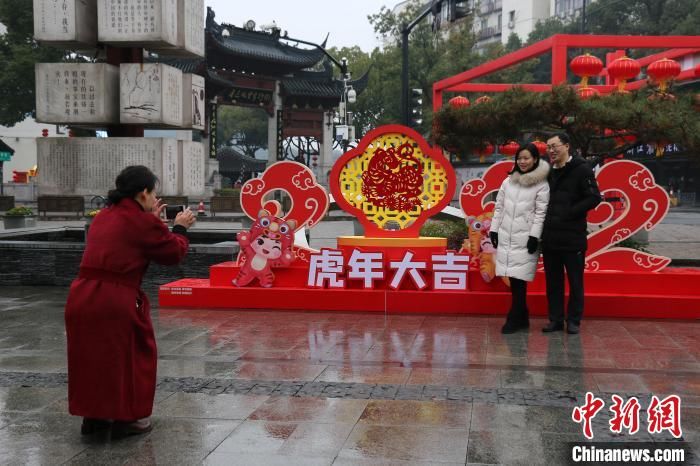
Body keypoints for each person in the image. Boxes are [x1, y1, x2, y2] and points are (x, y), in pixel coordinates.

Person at [64, 166, 196, 436]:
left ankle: (94, 418)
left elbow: (130, 239)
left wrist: (154, 222)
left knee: (91, 359)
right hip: (115, 298)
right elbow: (172, 252)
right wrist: (180, 227)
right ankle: (128, 419)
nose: (155, 197)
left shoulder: (104, 215)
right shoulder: (141, 222)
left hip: (81, 295)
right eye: (153, 192)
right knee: (132, 357)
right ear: (143, 192)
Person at [541, 134, 601, 334]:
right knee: (553, 283)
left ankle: (574, 320)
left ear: (566, 146)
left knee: (575, 282)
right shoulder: (548, 171)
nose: (551, 150)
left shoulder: (582, 169)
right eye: (548, 147)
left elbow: (594, 197)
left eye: (555, 146)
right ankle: (555, 320)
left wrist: (570, 212)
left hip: (572, 237)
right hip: (550, 238)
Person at [490, 142, 550, 334]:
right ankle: (522, 315)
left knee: (519, 277)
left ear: (535, 159)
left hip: (526, 237)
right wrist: (494, 229)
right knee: (513, 277)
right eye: (519, 158)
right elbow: (498, 207)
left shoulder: (541, 184)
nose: (522, 161)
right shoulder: (508, 182)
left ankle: (514, 318)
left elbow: (541, 212)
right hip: (507, 235)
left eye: (527, 158)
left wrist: (534, 236)